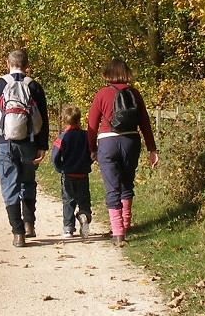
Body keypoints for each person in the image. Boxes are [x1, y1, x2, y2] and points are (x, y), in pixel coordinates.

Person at [87, 58, 159, 247]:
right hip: (130, 141)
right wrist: (152, 148)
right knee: (127, 183)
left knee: (112, 187)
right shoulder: (135, 93)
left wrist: (92, 149)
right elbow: (145, 124)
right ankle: (126, 224)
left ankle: (118, 232)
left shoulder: (102, 94)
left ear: (108, 74)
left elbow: (92, 126)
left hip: (107, 142)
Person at [0, 49, 50, 248]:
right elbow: (43, 119)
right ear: (27, 65)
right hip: (29, 143)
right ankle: (29, 224)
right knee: (28, 181)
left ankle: (18, 233)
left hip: (3, 143)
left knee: (9, 185)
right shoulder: (34, 86)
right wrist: (42, 145)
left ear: (7, 63)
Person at [51, 105, 92, 239]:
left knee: (68, 201)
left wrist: (59, 168)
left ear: (64, 120)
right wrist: (87, 164)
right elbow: (92, 153)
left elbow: (55, 156)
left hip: (68, 174)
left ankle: (68, 228)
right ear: (79, 119)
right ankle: (84, 215)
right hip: (83, 174)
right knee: (84, 200)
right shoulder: (86, 136)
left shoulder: (63, 137)